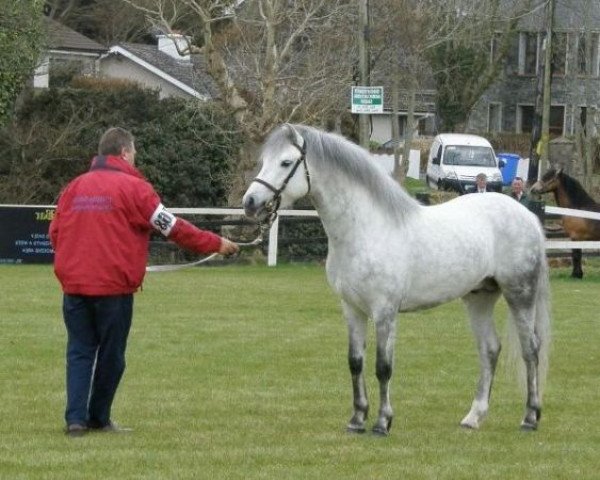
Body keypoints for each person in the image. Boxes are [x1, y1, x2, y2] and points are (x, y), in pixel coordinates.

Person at [49, 127, 239, 437]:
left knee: (80, 352)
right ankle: (98, 417)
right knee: (112, 356)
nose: (135, 158)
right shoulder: (136, 190)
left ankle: (75, 420)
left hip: (75, 288)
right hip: (114, 290)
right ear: (124, 152)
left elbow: (55, 234)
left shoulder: (74, 188)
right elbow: (173, 228)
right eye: (134, 153)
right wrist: (215, 242)